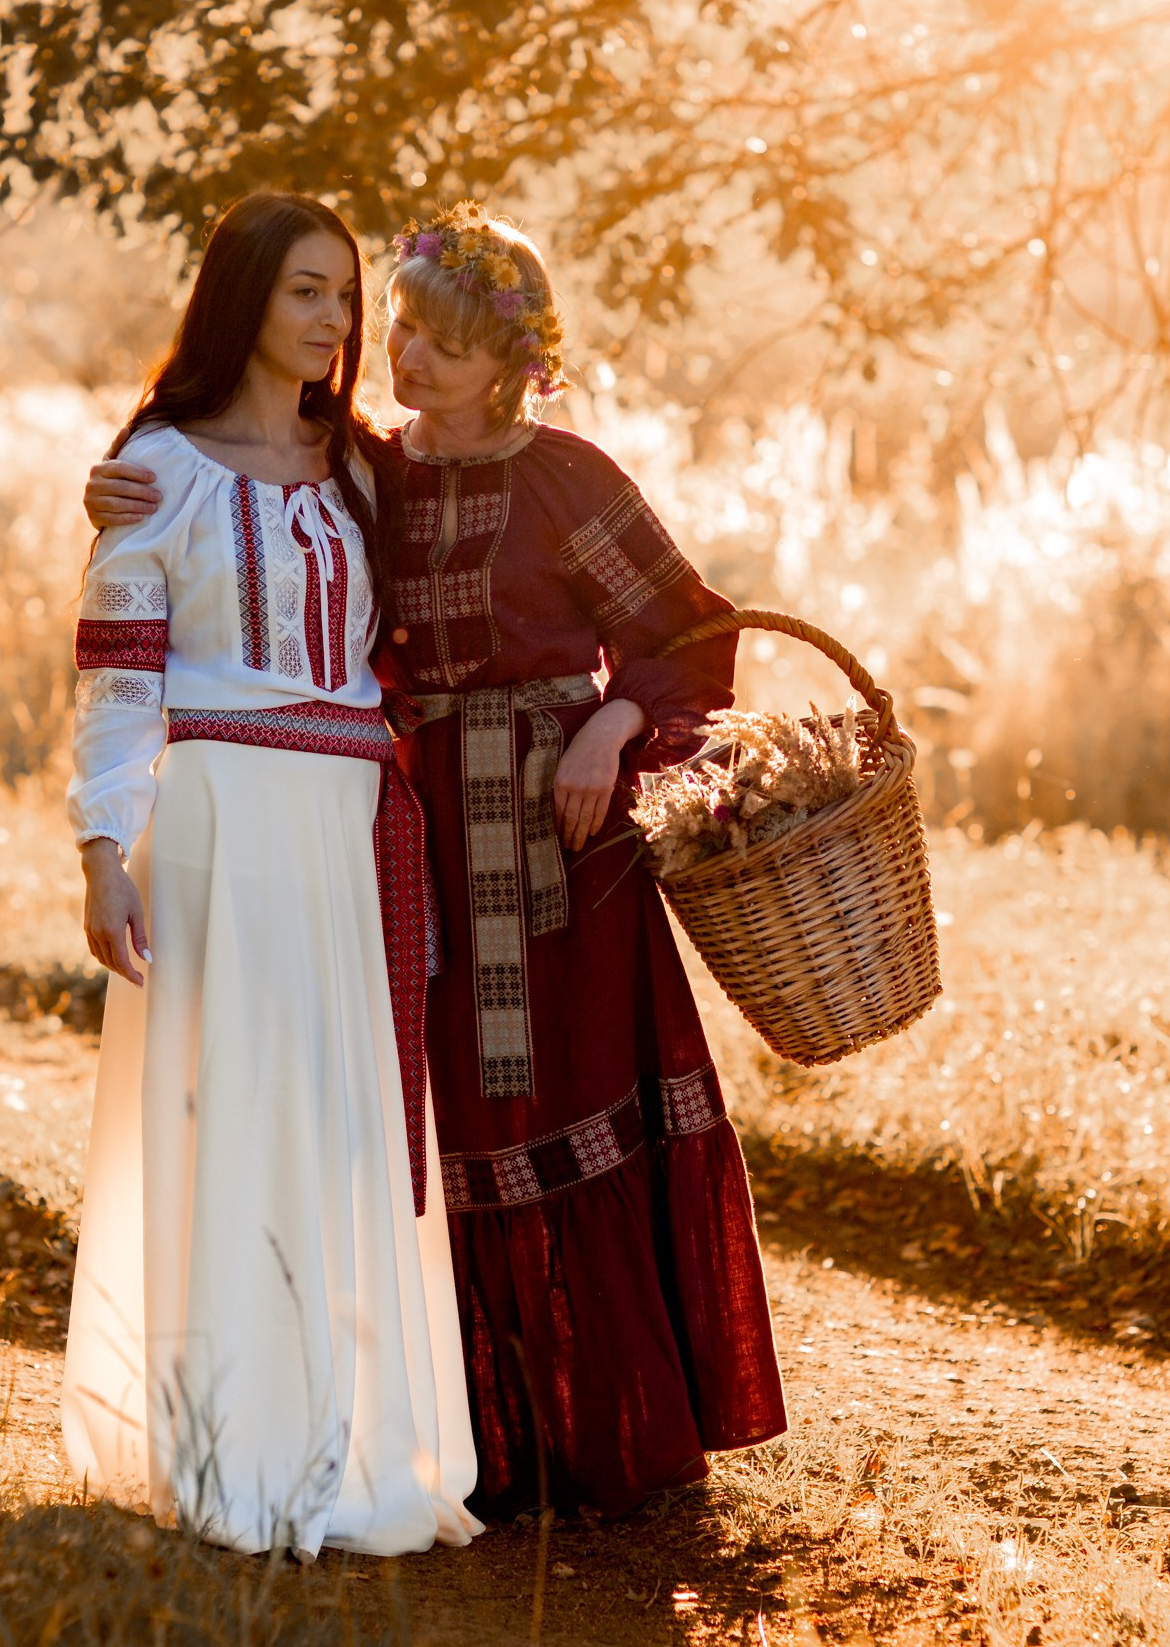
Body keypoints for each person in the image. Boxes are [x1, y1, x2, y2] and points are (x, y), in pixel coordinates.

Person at [86, 201, 786, 1517]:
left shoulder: (569, 478)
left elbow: (690, 631)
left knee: (573, 1092)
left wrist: (615, 727)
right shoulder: (368, 470)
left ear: (510, 362)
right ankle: (481, 1445)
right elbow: (234, 489)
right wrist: (117, 490)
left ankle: (618, 1432)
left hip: (566, 834)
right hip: (411, 835)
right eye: (399, 328)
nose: (400, 357)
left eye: (440, 348)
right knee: (442, 1114)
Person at [61, 191, 479, 1557]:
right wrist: (103, 851)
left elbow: (495, 485)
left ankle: (350, 1447)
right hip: (222, 823)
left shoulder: (362, 467)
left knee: (341, 1121)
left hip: (346, 826)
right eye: (307, 291)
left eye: (345, 296)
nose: (334, 320)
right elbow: (118, 677)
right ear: (242, 298)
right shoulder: (159, 467)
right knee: (232, 1118)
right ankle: (230, 1455)